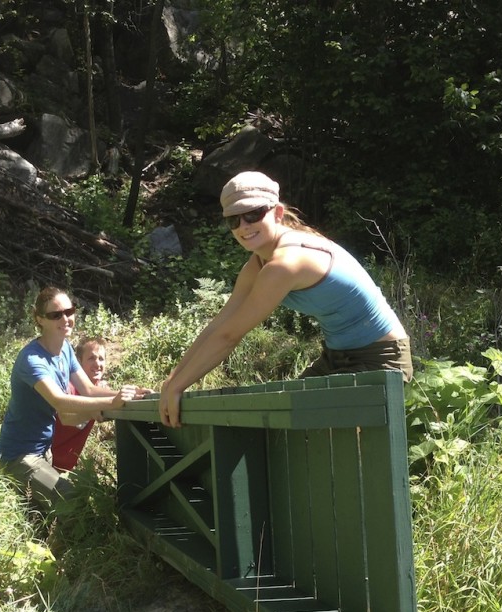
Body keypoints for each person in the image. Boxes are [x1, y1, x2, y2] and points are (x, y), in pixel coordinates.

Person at [158, 170, 412, 428]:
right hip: (337, 356)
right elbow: (219, 325)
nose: (244, 226)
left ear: (277, 213)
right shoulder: (257, 264)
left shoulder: (286, 263)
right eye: (233, 220)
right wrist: (172, 382)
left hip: (381, 361)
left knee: (301, 435)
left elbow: (229, 337)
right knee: (286, 431)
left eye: (253, 214)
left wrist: (178, 387)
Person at [0, 288, 147, 506]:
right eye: (55, 315)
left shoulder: (65, 349)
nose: (65, 319)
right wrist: (112, 402)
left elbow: (88, 389)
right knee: (73, 499)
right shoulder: (32, 360)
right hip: (19, 456)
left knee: (39, 517)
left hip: (43, 450)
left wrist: (130, 393)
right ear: (39, 319)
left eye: (69, 311)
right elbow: (59, 401)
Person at [51, 336, 107, 472]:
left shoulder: (101, 388)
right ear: (78, 362)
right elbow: (65, 418)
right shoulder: (68, 388)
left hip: (66, 467)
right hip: (45, 461)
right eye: (91, 358)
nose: (97, 364)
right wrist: (91, 412)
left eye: (101, 359)